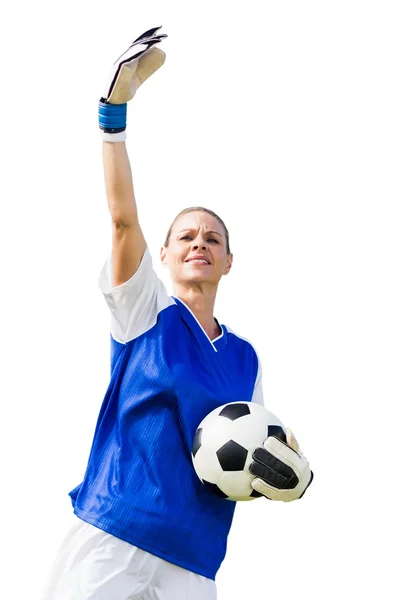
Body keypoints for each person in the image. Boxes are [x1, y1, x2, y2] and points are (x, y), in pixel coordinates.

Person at [41, 27, 313, 600]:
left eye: (213, 238)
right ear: (161, 255)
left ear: (229, 262)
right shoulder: (145, 312)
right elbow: (121, 220)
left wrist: (288, 473)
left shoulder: (245, 358)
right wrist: (113, 114)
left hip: (193, 557)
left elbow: (257, 449)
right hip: (114, 531)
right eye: (185, 236)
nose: (199, 243)